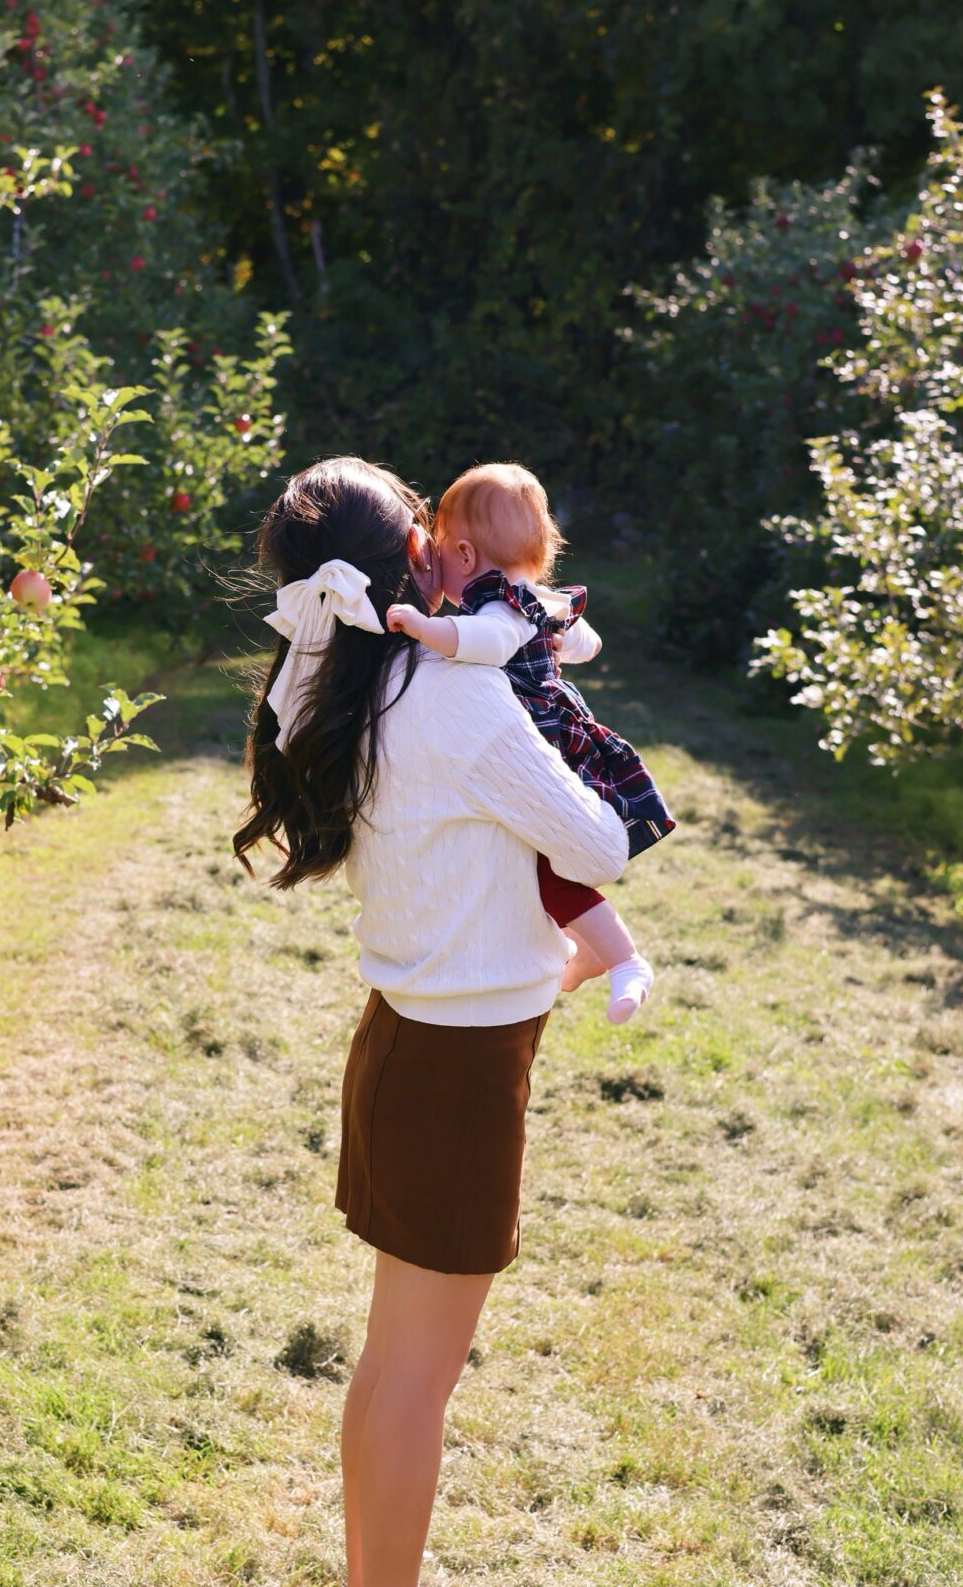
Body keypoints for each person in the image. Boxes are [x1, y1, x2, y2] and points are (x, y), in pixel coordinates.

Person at [233, 454, 631, 1587]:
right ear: (414, 551)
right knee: (414, 1380)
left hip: (405, 1036)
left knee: (388, 1368)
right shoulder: (451, 693)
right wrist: (541, 688)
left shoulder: (329, 683)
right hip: (454, 1070)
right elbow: (599, 845)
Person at [386, 460, 674, 1024]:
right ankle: (598, 951)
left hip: (540, 736)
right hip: (558, 726)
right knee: (543, 867)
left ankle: (623, 959)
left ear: (465, 556)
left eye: (438, 552)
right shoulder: (537, 599)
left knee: (547, 870)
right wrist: (556, 642)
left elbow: (488, 642)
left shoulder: (496, 606)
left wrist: (422, 627)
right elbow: (587, 644)